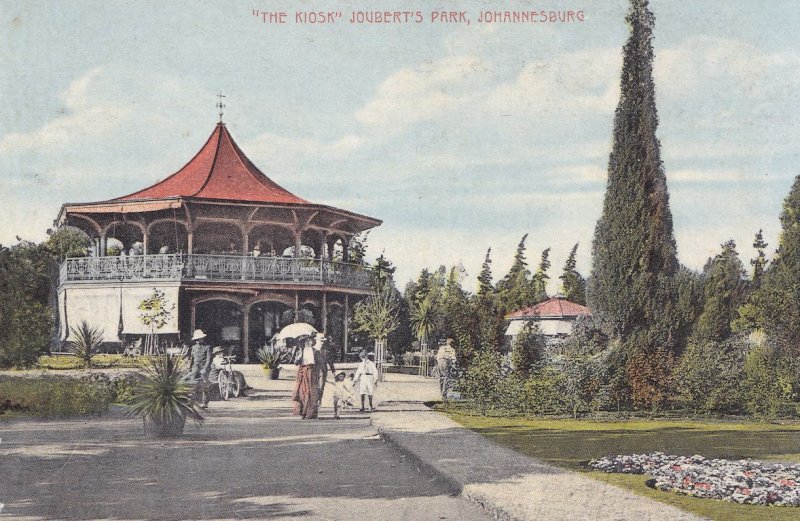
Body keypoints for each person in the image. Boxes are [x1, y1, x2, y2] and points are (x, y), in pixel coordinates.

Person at [291, 335, 321, 419]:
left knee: (312, 393)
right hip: (303, 373)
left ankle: (311, 414)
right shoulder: (300, 351)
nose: (307, 342)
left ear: (312, 342)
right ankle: (303, 412)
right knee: (302, 392)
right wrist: (299, 357)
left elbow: (319, 363)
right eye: (305, 341)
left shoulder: (316, 351)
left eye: (309, 340)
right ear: (303, 343)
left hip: (312, 373)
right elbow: (296, 363)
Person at [188, 329, 212, 407]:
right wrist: (189, 368)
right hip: (195, 368)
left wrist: (205, 368)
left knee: (204, 384)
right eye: (197, 339)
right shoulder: (193, 347)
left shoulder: (207, 347)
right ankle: (191, 401)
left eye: (200, 338)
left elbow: (209, 359)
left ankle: (205, 402)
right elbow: (192, 359)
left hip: (203, 368)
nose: (199, 340)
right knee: (192, 384)